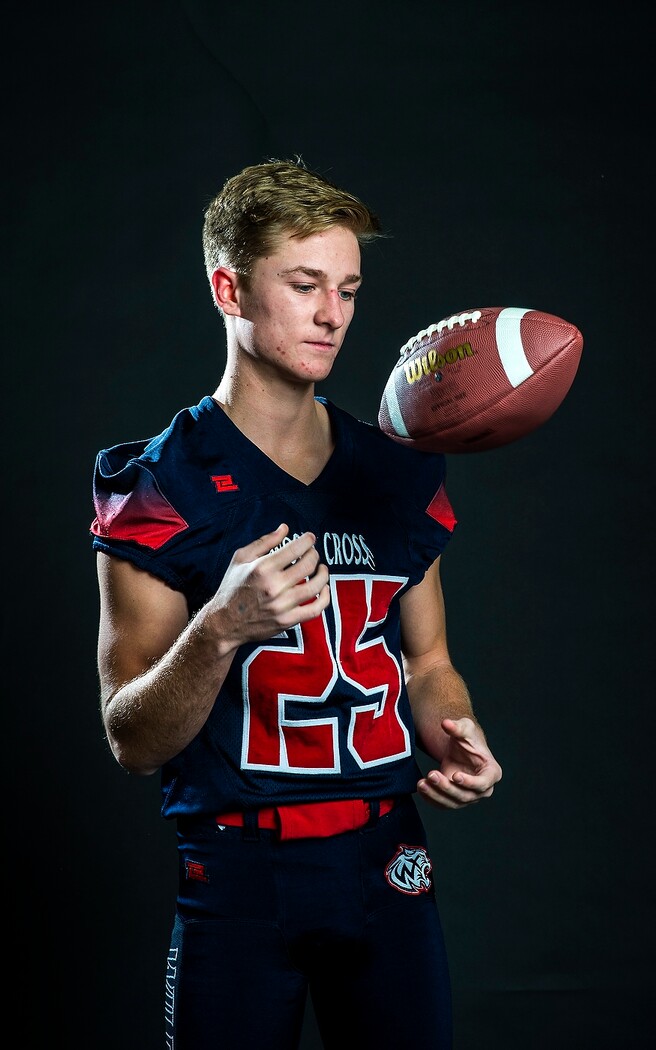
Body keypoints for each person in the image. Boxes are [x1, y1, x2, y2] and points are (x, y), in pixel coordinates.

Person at [90, 157, 502, 1049]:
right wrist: (222, 626)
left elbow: (428, 664)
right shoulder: (161, 482)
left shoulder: (396, 468)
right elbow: (131, 736)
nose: (333, 315)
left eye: (348, 289)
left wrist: (455, 730)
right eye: (305, 284)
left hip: (386, 855)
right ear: (229, 288)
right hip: (239, 869)